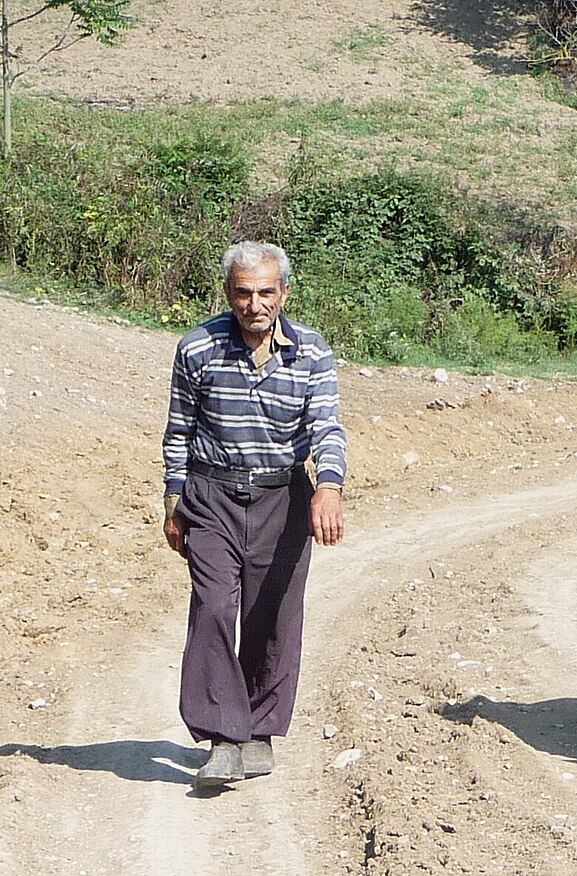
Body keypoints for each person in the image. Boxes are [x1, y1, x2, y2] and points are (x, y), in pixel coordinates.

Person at [162, 241, 348, 786]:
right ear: (228, 293)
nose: (255, 303)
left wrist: (329, 486)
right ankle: (223, 736)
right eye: (243, 292)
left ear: (283, 292)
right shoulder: (197, 348)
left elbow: (327, 427)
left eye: (266, 291)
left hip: (283, 497)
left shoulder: (311, 352)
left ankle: (260, 730)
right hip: (212, 494)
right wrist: (174, 503)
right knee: (215, 606)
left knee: (273, 615)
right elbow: (178, 432)